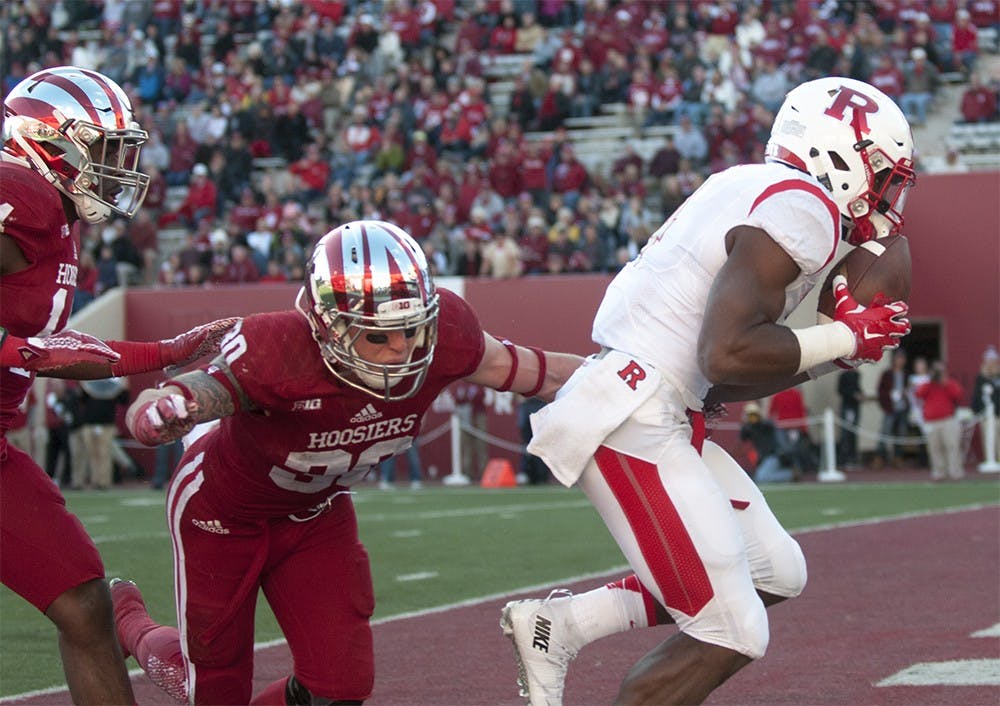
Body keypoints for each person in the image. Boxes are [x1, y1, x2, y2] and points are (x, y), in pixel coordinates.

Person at [501, 76, 915, 706]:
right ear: (841, 155)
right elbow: (724, 350)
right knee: (732, 630)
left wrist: (839, 348)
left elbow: (726, 372)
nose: (889, 195)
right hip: (635, 411)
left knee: (778, 570)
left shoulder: (752, 185)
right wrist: (842, 339)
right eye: (883, 174)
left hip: (657, 400)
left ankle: (562, 625)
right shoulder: (805, 206)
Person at [110, 220, 584, 706]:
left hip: (317, 512)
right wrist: (161, 410)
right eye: (378, 337)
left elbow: (536, 370)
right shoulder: (278, 347)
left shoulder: (447, 337)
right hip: (222, 513)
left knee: (340, 690)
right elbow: (191, 391)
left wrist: (626, 379)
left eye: (411, 328)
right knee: (213, 692)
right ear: (327, 325)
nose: (401, 349)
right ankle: (129, 622)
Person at [0, 65, 237, 706]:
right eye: (104, 150)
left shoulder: (53, 213)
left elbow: (57, 351)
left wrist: (163, 352)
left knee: (83, 601)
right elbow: (37, 352)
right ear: (48, 141)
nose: (117, 166)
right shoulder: (17, 192)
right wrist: (15, 349)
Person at [915, 361, 965, 480]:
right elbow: (919, 393)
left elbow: (958, 395)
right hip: (931, 421)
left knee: (952, 446)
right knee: (934, 448)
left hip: (948, 420)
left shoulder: (949, 383)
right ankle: (939, 472)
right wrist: (931, 380)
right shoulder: (927, 385)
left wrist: (945, 383)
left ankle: (955, 472)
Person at [739, 402, 797, 483]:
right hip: (764, 458)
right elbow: (743, 437)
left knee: (762, 478)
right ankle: (788, 474)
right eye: (750, 415)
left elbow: (768, 424)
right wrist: (745, 423)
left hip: (774, 455)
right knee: (760, 477)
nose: (752, 417)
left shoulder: (765, 425)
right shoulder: (749, 428)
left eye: (754, 415)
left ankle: (790, 474)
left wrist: (759, 420)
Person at [876, 349, 911, 468]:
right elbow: (880, 391)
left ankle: (898, 457)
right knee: (885, 432)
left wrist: (906, 395)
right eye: (898, 358)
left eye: (902, 358)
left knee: (901, 434)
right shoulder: (887, 374)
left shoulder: (906, 374)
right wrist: (888, 399)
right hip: (890, 408)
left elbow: (910, 390)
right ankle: (880, 457)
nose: (900, 361)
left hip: (903, 408)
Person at [972, 346, 1000, 464]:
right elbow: (977, 395)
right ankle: (990, 459)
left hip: (998, 413)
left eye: (993, 360)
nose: (990, 363)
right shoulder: (981, 377)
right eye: (988, 360)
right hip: (986, 414)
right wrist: (977, 410)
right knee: (988, 437)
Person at [836, 367, 864, 467]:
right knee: (845, 434)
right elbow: (840, 390)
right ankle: (843, 458)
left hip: (855, 407)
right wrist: (853, 395)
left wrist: (861, 395)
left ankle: (853, 457)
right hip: (847, 406)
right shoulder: (843, 376)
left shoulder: (857, 375)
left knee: (854, 433)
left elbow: (858, 388)